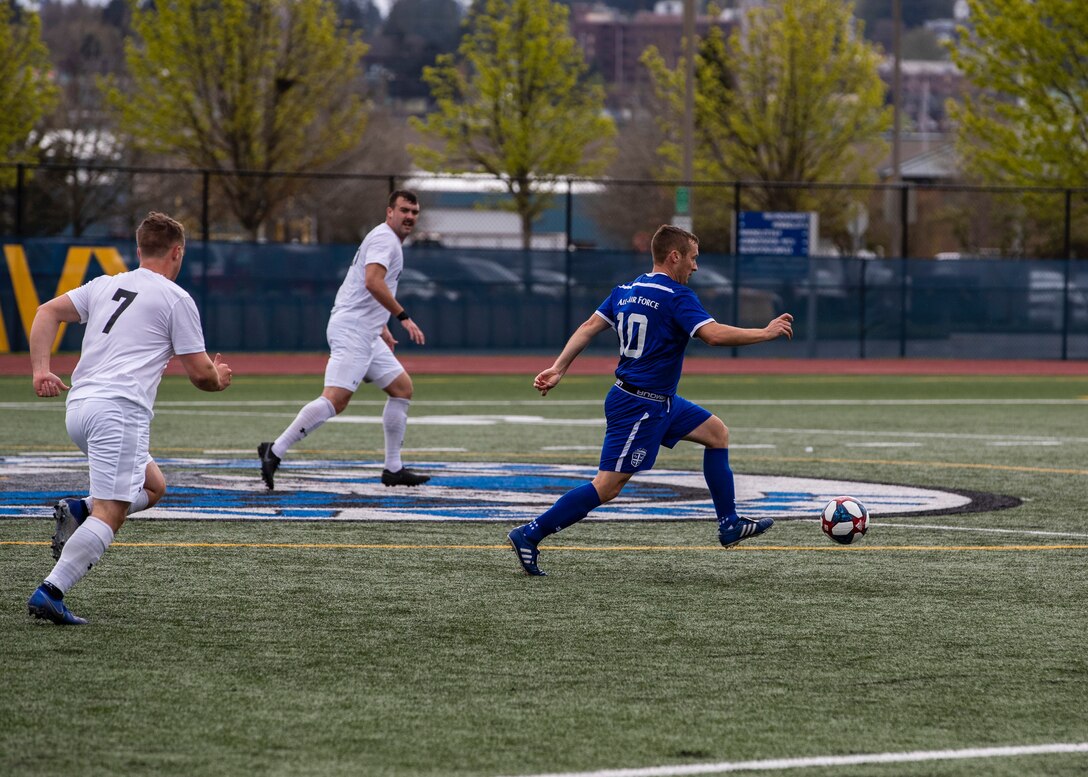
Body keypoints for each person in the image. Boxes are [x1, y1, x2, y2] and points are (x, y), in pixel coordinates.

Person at [508, 224, 793, 576]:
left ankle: (729, 523)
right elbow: (713, 336)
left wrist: (558, 368)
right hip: (640, 406)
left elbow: (587, 327)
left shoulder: (626, 290)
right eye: (693, 258)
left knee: (716, 433)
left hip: (659, 400)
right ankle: (529, 534)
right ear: (674, 256)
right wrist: (764, 333)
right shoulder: (676, 296)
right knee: (607, 487)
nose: (696, 267)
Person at [28, 211, 233, 624]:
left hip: (80, 407)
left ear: (138, 250)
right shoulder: (176, 298)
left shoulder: (105, 284)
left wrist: (40, 370)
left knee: (154, 486)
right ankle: (51, 591)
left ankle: (78, 509)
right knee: (113, 510)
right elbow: (200, 376)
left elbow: (45, 312)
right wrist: (220, 377)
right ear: (177, 252)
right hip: (118, 412)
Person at [258, 190, 430, 490]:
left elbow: (368, 289)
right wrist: (402, 317)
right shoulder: (384, 238)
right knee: (335, 400)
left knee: (402, 388)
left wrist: (382, 326)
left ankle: (393, 468)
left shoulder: (387, 240)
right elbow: (372, 281)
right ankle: (275, 450)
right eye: (404, 210)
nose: (409, 217)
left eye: (414, 212)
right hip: (353, 330)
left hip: (366, 329)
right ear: (389, 212)